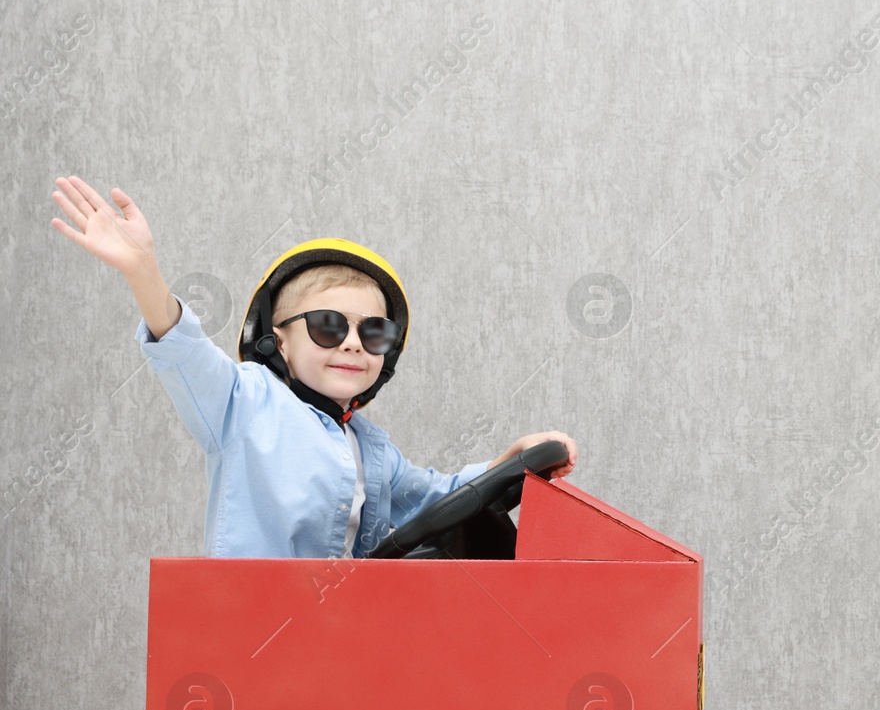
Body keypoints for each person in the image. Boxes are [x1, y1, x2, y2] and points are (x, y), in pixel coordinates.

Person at [49, 175, 577, 558]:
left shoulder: (372, 449)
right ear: (278, 340)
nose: (352, 344)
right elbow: (185, 353)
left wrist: (504, 465)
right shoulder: (242, 402)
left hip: (342, 632)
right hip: (255, 628)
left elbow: (435, 500)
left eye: (373, 332)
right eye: (329, 326)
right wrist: (144, 273)